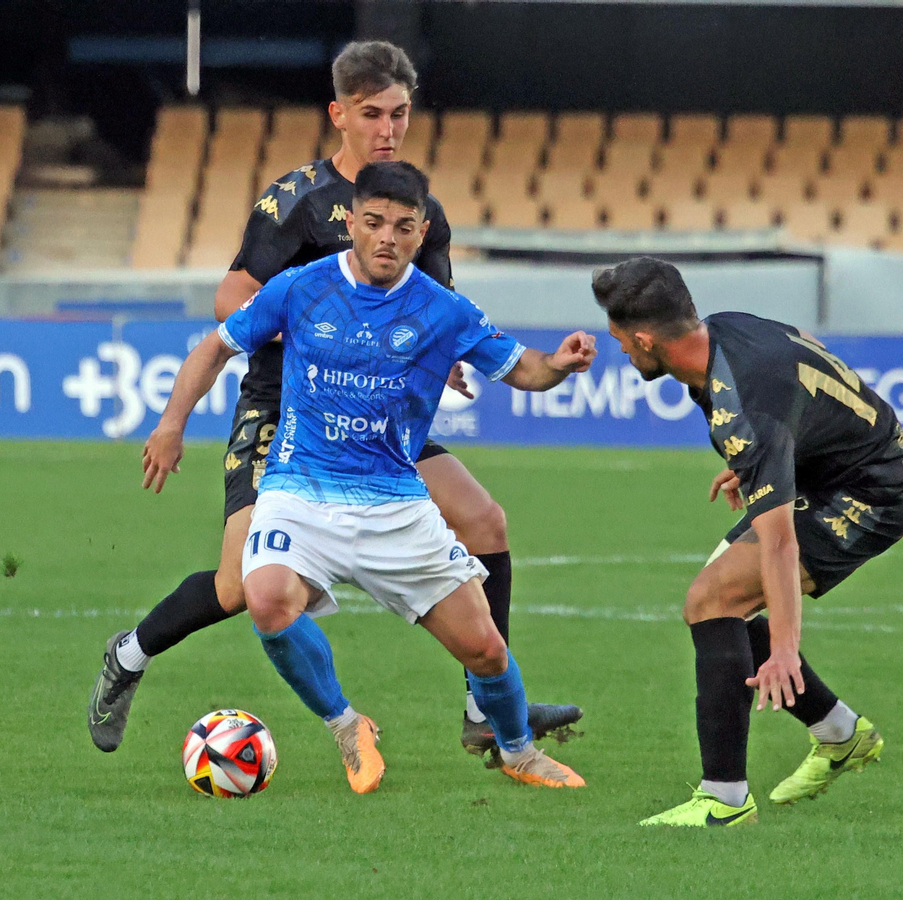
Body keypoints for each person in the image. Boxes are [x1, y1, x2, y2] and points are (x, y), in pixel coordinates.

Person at [88, 40, 581, 758]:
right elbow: (233, 295)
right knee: (240, 584)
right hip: (286, 407)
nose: (388, 128)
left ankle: (484, 705)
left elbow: (436, 302)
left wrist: (427, 355)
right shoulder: (294, 201)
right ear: (339, 114)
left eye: (400, 114)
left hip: (377, 418)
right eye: (373, 113)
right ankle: (129, 655)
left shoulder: (418, 209)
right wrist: (325, 331)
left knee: (484, 521)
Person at [591, 257, 903, 828]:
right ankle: (841, 735)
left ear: (645, 339)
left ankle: (725, 800)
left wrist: (786, 647)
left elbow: (781, 544)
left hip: (870, 495)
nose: (619, 350)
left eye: (620, 340)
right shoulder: (722, 331)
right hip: (827, 470)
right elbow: (803, 368)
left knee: (712, 601)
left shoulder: (746, 408)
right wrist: (766, 464)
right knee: (721, 612)